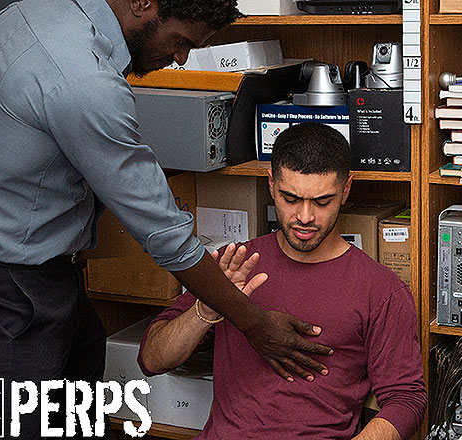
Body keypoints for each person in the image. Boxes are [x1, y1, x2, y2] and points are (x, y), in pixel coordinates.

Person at [0, 0, 334, 437]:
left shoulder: (27, 12)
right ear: (143, 3)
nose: (180, 59)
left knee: (80, 414)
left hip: (32, 278)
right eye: (180, 41)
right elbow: (166, 237)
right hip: (9, 293)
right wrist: (256, 324)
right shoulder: (85, 81)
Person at [139, 122, 428, 440]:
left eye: (322, 202)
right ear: (272, 184)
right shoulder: (235, 264)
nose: (305, 217)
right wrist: (207, 309)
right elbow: (151, 360)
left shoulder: (382, 290)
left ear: (346, 190)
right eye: (290, 198)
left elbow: (407, 400)